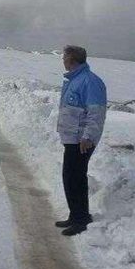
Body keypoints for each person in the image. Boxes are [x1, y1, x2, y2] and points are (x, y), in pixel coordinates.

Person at [54, 45, 107, 236]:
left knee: (76, 178)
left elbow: (96, 112)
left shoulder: (89, 81)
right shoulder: (74, 80)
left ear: (72, 60)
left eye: (64, 58)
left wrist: (88, 136)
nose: (63, 60)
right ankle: (75, 215)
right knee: (70, 177)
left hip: (81, 140)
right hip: (72, 138)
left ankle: (81, 219)